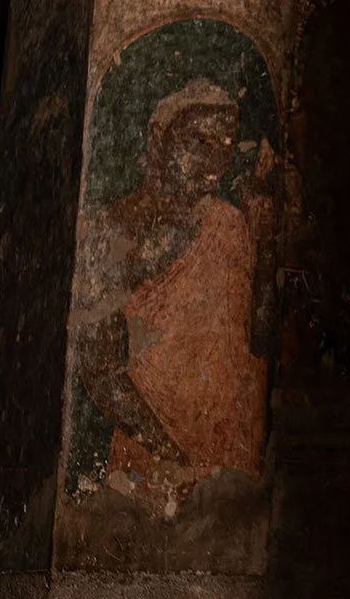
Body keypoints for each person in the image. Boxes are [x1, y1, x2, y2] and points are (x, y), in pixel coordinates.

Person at [72, 79, 271, 500]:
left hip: (227, 467)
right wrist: (173, 459)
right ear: (160, 139)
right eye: (198, 141)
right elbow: (98, 368)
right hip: (153, 463)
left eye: (226, 144)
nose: (215, 161)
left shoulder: (230, 227)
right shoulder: (114, 229)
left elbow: (259, 342)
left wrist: (268, 243)